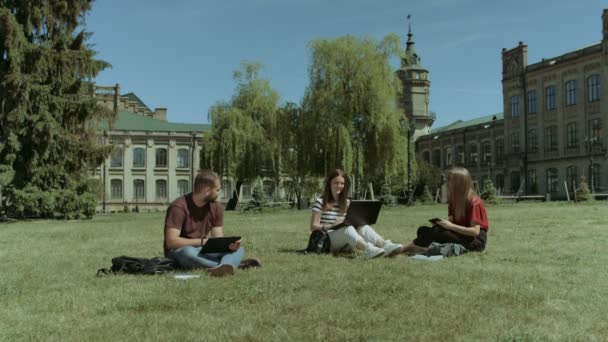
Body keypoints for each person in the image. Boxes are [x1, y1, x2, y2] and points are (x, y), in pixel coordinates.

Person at [164, 170, 259, 276]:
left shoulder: (216, 207)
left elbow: (218, 237)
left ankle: (226, 266)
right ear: (207, 190)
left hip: (203, 250)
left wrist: (228, 244)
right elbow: (171, 242)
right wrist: (203, 242)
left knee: (239, 249)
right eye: (217, 190)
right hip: (179, 252)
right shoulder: (178, 207)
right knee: (187, 253)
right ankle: (234, 265)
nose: (219, 193)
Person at [310, 169, 403, 258]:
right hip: (327, 240)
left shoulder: (346, 202)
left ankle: (384, 245)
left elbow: (350, 222)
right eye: (336, 183)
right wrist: (331, 225)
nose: (339, 186)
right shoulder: (320, 202)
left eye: (342, 183)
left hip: (345, 240)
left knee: (363, 227)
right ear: (329, 183)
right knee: (347, 229)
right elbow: (313, 227)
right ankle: (367, 249)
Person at [402, 167, 488, 255]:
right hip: (462, 236)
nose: (448, 183)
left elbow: (475, 232)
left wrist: (450, 226)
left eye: (450, 181)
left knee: (437, 232)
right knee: (422, 230)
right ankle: (423, 249)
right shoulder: (454, 201)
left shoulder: (474, 202)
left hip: (475, 242)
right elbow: (451, 222)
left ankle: (404, 248)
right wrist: (442, 224)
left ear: (459, 184)